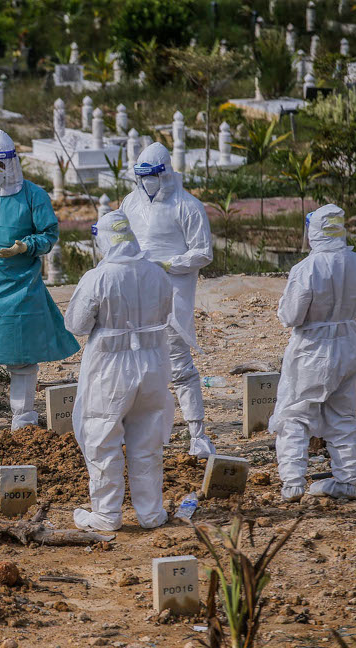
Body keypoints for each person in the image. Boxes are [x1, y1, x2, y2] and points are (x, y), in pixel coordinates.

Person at [0, 129, 80, 430]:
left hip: (21, 284)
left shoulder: (33, 196)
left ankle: (22, 415)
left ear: (12, 163)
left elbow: (48, 234)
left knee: (21, 357)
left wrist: (26, 246)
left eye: (0, 164)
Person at [64, 210, 174, 531]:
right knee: (148, 438)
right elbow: (166, 310)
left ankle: (107, 513)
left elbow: (77, 324)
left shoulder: (99, 277)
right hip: (153, 361)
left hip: (111, 366)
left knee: (102, 435)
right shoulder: (157, 273)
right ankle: (151, 512)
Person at [270, 204, 356, 502]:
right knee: (343, 414)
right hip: (350, 344)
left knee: (295, 413)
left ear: (314, 231)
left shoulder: (306, 268)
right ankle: (347, 481)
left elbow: (292, 315)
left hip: (312, 349)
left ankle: (293, 483)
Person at [120, 142, 215, 458]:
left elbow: (203, 252)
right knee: (134, 364)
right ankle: (138, 430)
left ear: (166, 174)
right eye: (142, 176)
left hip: (171, 297)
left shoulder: (187, 206)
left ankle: (197, 434)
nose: (147, 183)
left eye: (153, 176)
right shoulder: (130, 204)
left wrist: (168, 264)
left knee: (180, 367)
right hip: (136, 296)